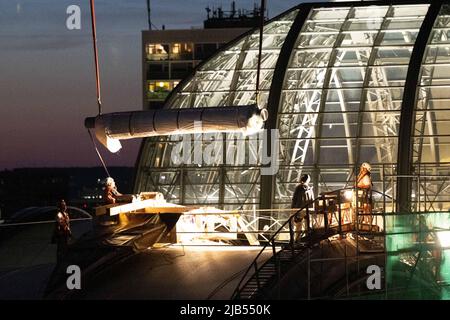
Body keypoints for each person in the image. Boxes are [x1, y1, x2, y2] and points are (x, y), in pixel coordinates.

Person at [291, 174, 314, 241]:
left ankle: (297, 240)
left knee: (298, 226)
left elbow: (294, 199)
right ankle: (307, 239)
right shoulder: (310, 189)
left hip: (299, 209)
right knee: (307, 225)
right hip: (307, 210)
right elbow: (312, 200)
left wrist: (293, 210)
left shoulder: (298, 188)